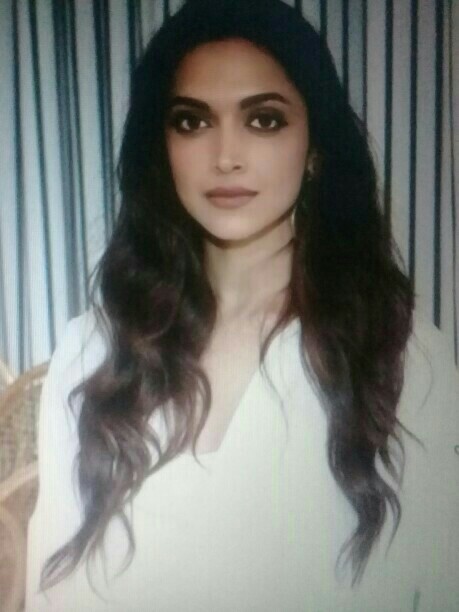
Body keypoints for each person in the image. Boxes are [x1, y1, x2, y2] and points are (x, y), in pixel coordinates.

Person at [25, 0, 459, 610]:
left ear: (315, 147)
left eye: (264, 120)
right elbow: (49, 587)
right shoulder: (91, 352)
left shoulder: (404, 359)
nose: (225, 155)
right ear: (162, 148)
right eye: (191, 121)